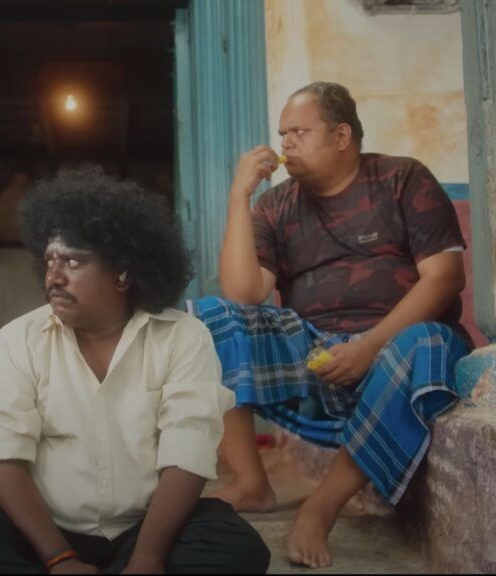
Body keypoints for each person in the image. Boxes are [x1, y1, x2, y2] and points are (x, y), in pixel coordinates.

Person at [0, 166, 271, 574]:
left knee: (240, 550)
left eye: (73, 261)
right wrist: (59, 558)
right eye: (49, 261)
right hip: (43, 531)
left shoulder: (183, 336)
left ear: (123, 273)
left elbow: (188, 454)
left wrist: (147, 558)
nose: (54, 277)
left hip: (147, 529)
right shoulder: (18, 339)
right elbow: (3, 457)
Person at [200, 81, 471, 568]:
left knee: (426, 341)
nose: (286, 143)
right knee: (211, 318)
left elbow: (445, 277)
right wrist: (240, 195)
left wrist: (369, 347)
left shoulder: (402, 178)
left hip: (397, 351)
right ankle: (251, 483)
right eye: (283, 134)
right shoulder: (276, 204)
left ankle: (321, 507)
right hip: (319, 360)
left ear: (342, 136)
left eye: (300, 132)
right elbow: (243, 295)